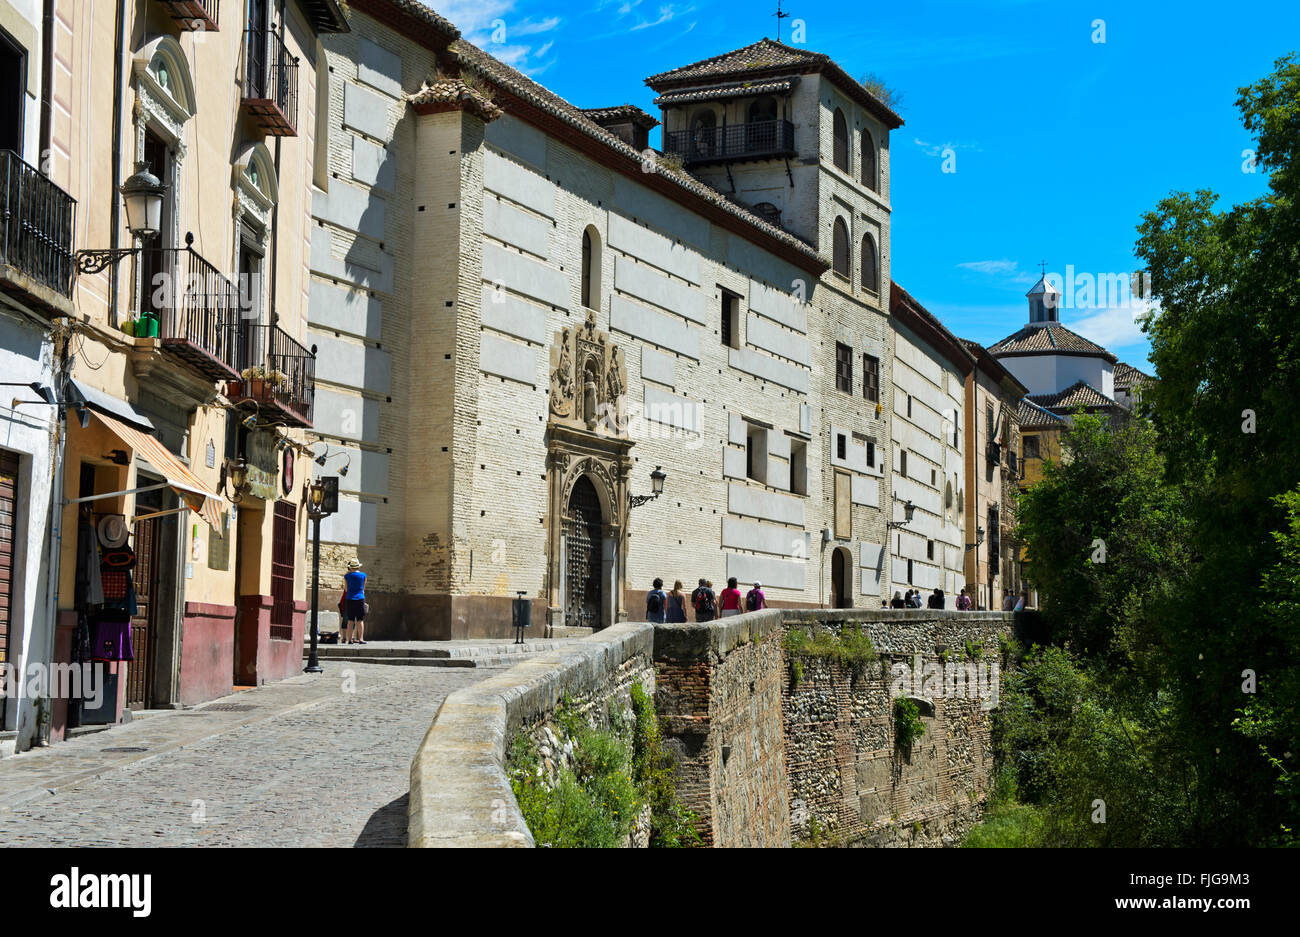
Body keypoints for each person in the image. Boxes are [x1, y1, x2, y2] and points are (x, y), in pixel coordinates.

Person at [343, 559, 367, 645]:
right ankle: (361, 639)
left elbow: (346, 589)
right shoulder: (364, 575)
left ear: (350, 567)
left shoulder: (347, 576)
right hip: (360, 598)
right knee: (360, 620)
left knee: (350, 620)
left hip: (349, 599)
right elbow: (363, 589)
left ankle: (349, 639)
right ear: (358, 566)